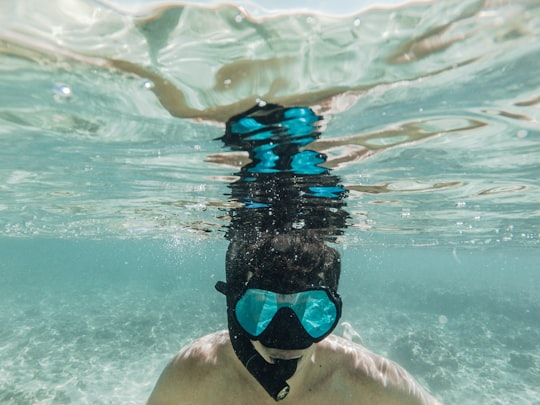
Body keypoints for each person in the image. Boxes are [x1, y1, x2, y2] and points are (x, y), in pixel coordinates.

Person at [147, 104, 442, 404]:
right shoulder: (193, 375)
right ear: (235, 305)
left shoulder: (365, 379)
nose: (286, 337)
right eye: (260, 307)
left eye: (311, 311)